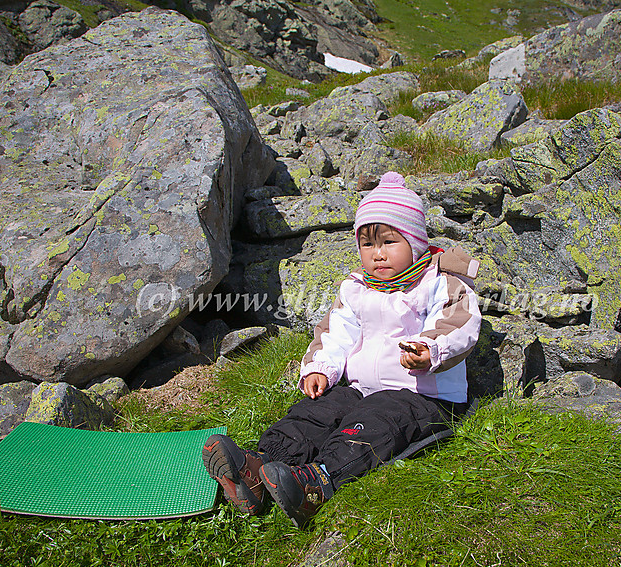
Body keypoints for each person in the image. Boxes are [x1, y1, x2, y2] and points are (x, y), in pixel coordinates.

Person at [203, 171, 482, 528]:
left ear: (415, 242)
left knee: (374, 424)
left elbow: (457, 324)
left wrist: (429, 350)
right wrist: (321, 367)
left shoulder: (438, 281)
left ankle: (317, 480)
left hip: (421, 393)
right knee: (317, 412)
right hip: (360, 387)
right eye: (367, 245)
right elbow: (336, 332)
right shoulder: (356, 288)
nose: (377, 254)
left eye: (389, 242)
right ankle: (258, 467)